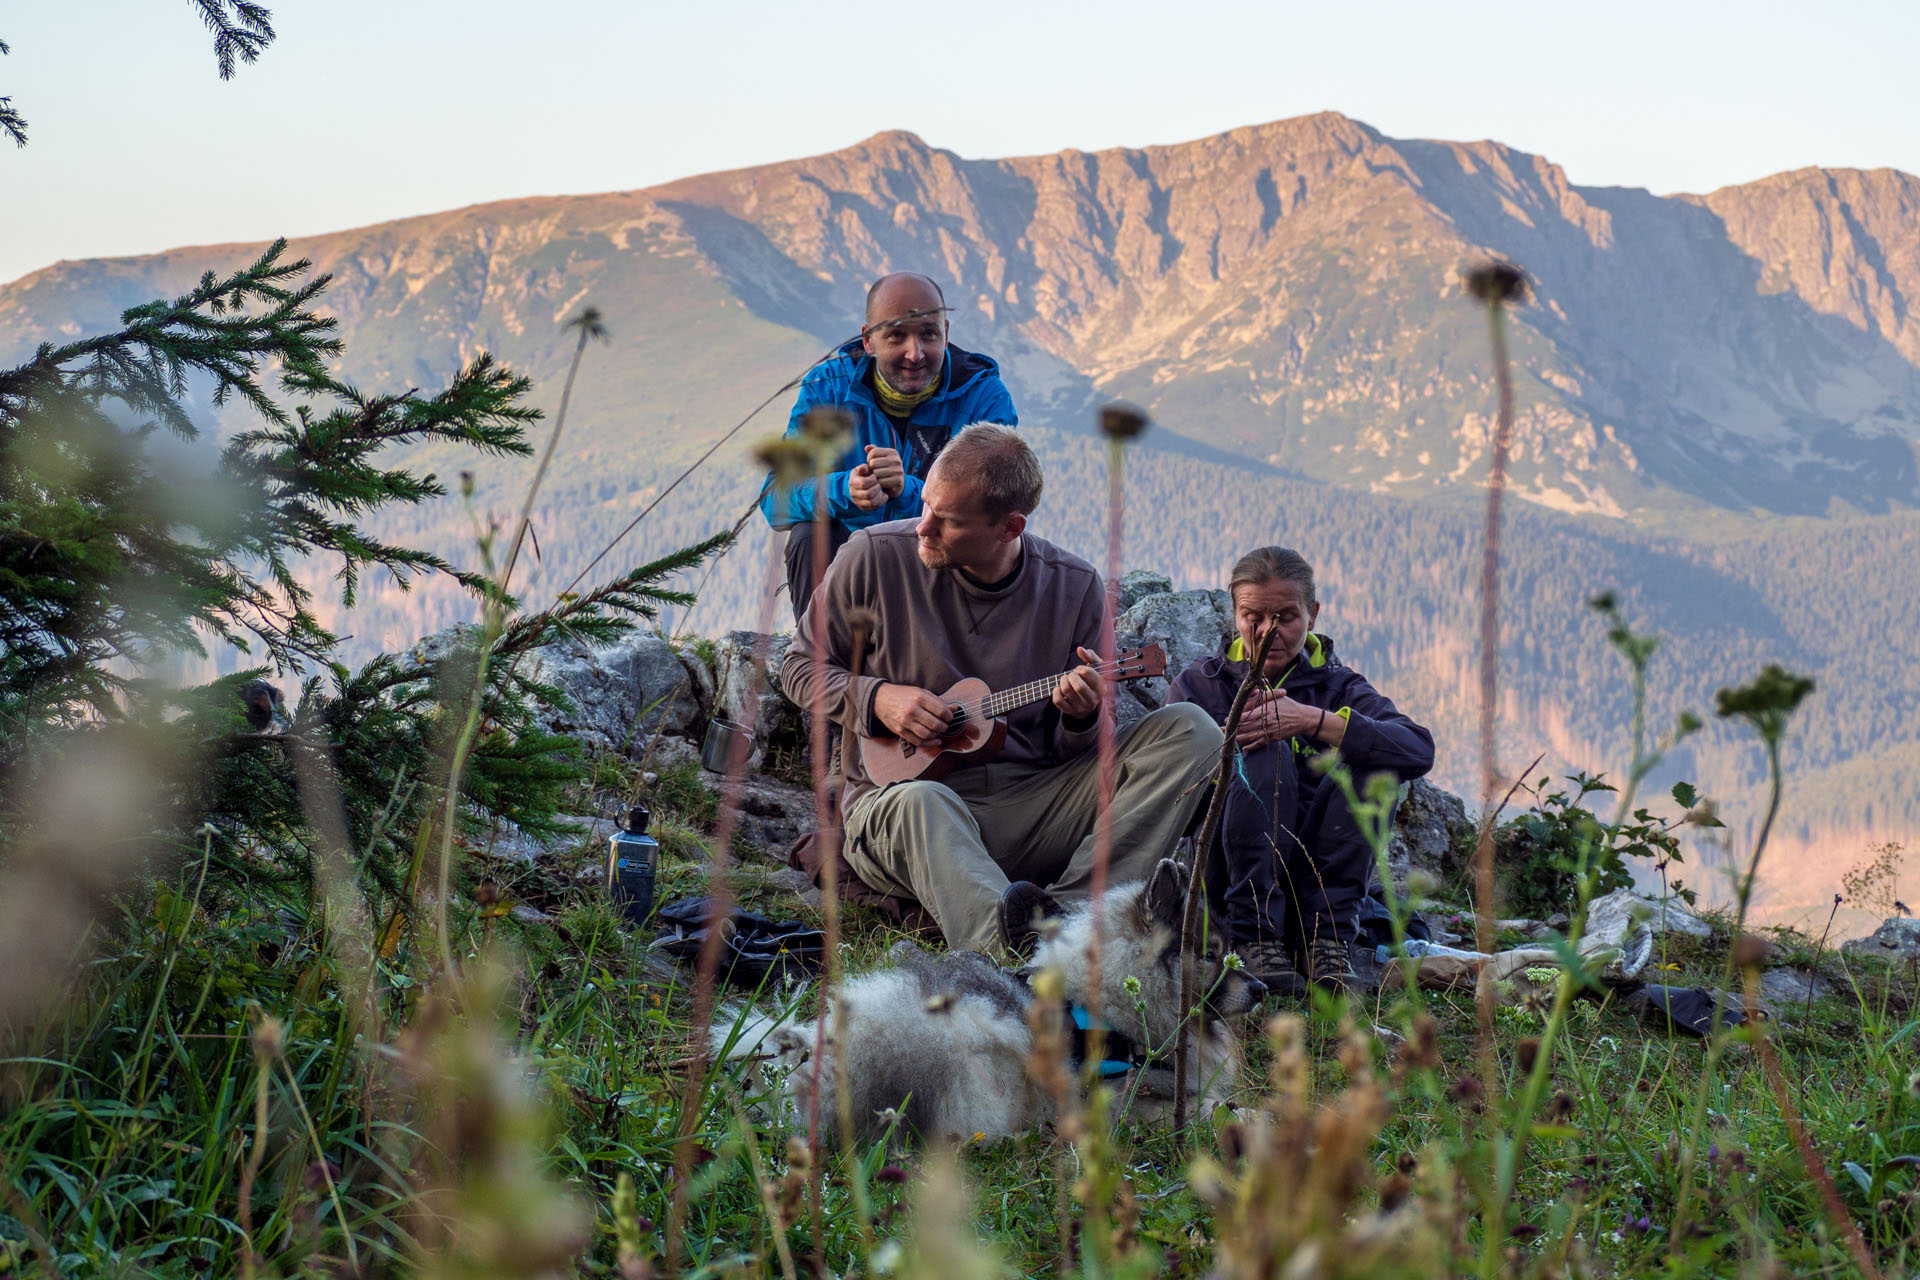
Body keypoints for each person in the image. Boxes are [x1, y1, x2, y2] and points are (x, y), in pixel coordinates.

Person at [780, 425, 1223, 956]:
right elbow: (800, 668)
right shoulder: (873, 557)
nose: (923, 528)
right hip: (900, 808)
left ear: (1010, 527)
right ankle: (1016, 958)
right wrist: (878, 700)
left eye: (948, 521)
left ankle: (1072, 922)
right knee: (925, 799)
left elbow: (1081, 751)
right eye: (926, 506)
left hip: (1031, 808)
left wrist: (1080, 718)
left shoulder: (1073, 587)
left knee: (1193, 732)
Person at [1169, 547, 1434, 996]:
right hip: (1227, 878)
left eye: (1285, 617)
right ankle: (1254, 940)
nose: (1268, 631)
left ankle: (1327, 940)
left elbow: (1417, 749)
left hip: (1317, 881)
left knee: (1374, 766)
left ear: (1312, 615)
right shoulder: (1200, 685)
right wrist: (1222, 745)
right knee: (1261, 750)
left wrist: (1313, 721)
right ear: (1234, 615)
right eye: (1253, 616)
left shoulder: (1338, 686)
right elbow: (1166, 786)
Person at [759, 272, 1018, 620]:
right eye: (897, 335)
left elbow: (994, 512)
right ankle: (818, 665)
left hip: (941, 565)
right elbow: (775, 501)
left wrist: (909, 492)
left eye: (928, 334)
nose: (915, 353)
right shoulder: (827, 389)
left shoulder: (983, 397)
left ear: (946, 333)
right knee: (810, 534)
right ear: (868, 340)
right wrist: (843, 491)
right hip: (853, 565)